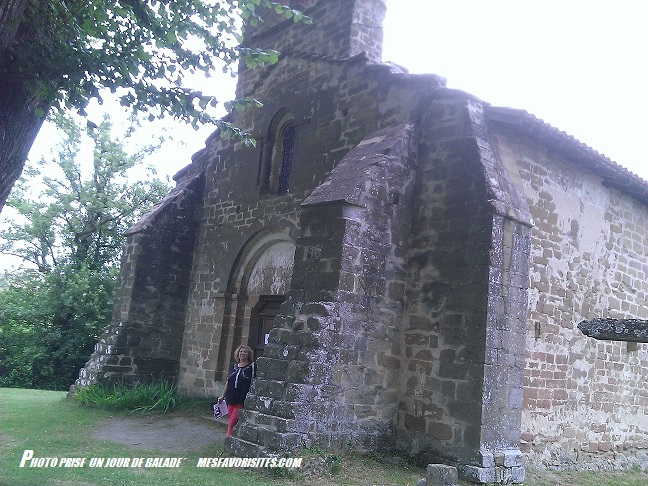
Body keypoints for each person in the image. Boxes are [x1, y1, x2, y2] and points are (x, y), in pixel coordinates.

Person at [217, 344, 256, 436]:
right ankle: (233, 439)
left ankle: (228, 442)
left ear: (248, 354)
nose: (242, 353)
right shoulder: (234, 367)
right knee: (231, 422)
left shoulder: (252, 367)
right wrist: (222, 396)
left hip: (241, 400)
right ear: (238, 354)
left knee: (231, 423)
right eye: (241, 351)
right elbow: (228, 382)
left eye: (245, 352)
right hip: (231, 399)